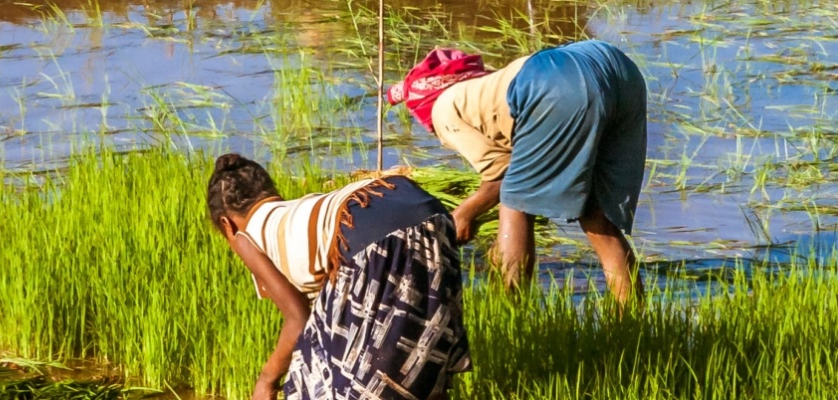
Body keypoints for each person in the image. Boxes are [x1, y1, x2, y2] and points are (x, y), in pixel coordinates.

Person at [387, 40, 649, 305]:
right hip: (617, 69)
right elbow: (518, 164)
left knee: (515, 203)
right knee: (596, 215)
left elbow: (500, 178)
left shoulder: (443, 107)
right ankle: (631, 319)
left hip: (557, 81)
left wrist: (461, 216)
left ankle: (511, 308)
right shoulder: (491, 88)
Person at [207, 154, 470, 400]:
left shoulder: (243, 237)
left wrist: (267, 380)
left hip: (372, 229)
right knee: (420, 358)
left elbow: (298, 318)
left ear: (226, 224)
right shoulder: (298, 211)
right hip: (423, 207)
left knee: (313, 376)